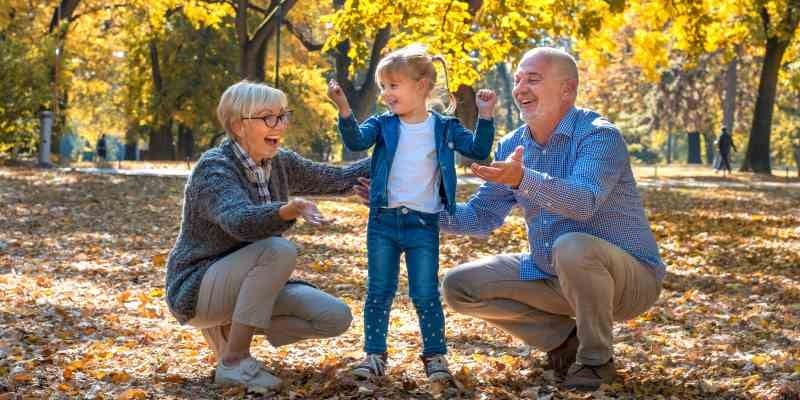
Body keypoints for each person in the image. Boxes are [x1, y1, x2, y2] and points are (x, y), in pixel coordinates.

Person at [355, 47, 665, 392]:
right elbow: (481, 216)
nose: (519, 88)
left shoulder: (598, 135)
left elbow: (583, 202)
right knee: (460, 286)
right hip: (553, 274)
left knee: (573, 245)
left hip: (628, 281)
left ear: (568, 89)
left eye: (533, 79)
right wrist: (407, 207)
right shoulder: (513, 144)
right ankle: (565, 342)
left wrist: (522, 178)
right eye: (518, 80)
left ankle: (596, 361)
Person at [165, 80, 370, 393]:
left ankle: (230, 330)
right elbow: (239, 222)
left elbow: (338, 179)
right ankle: (234, 361)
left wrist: (396, 147)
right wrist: (286, 211)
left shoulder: (280, 162)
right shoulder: (214, 169)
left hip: (247, 282)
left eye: (283, 116)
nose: (280, 125)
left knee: (334, 317)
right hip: (197, 287)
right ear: (238, 125)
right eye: (268, 118)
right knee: (278, 249)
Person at [326, 43, 497, 383]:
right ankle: (374, 355)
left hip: (423, 224)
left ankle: (435, 357)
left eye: (393, 86)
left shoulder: (445, 128)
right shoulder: (383, 125)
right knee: (379, 291)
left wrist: (486, 114)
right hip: (383, 222)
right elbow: (357, 142)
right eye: (383, 87)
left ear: (421, 86)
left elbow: (478, 150)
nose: (386, 94)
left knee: (424, 293)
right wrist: (344, 108)